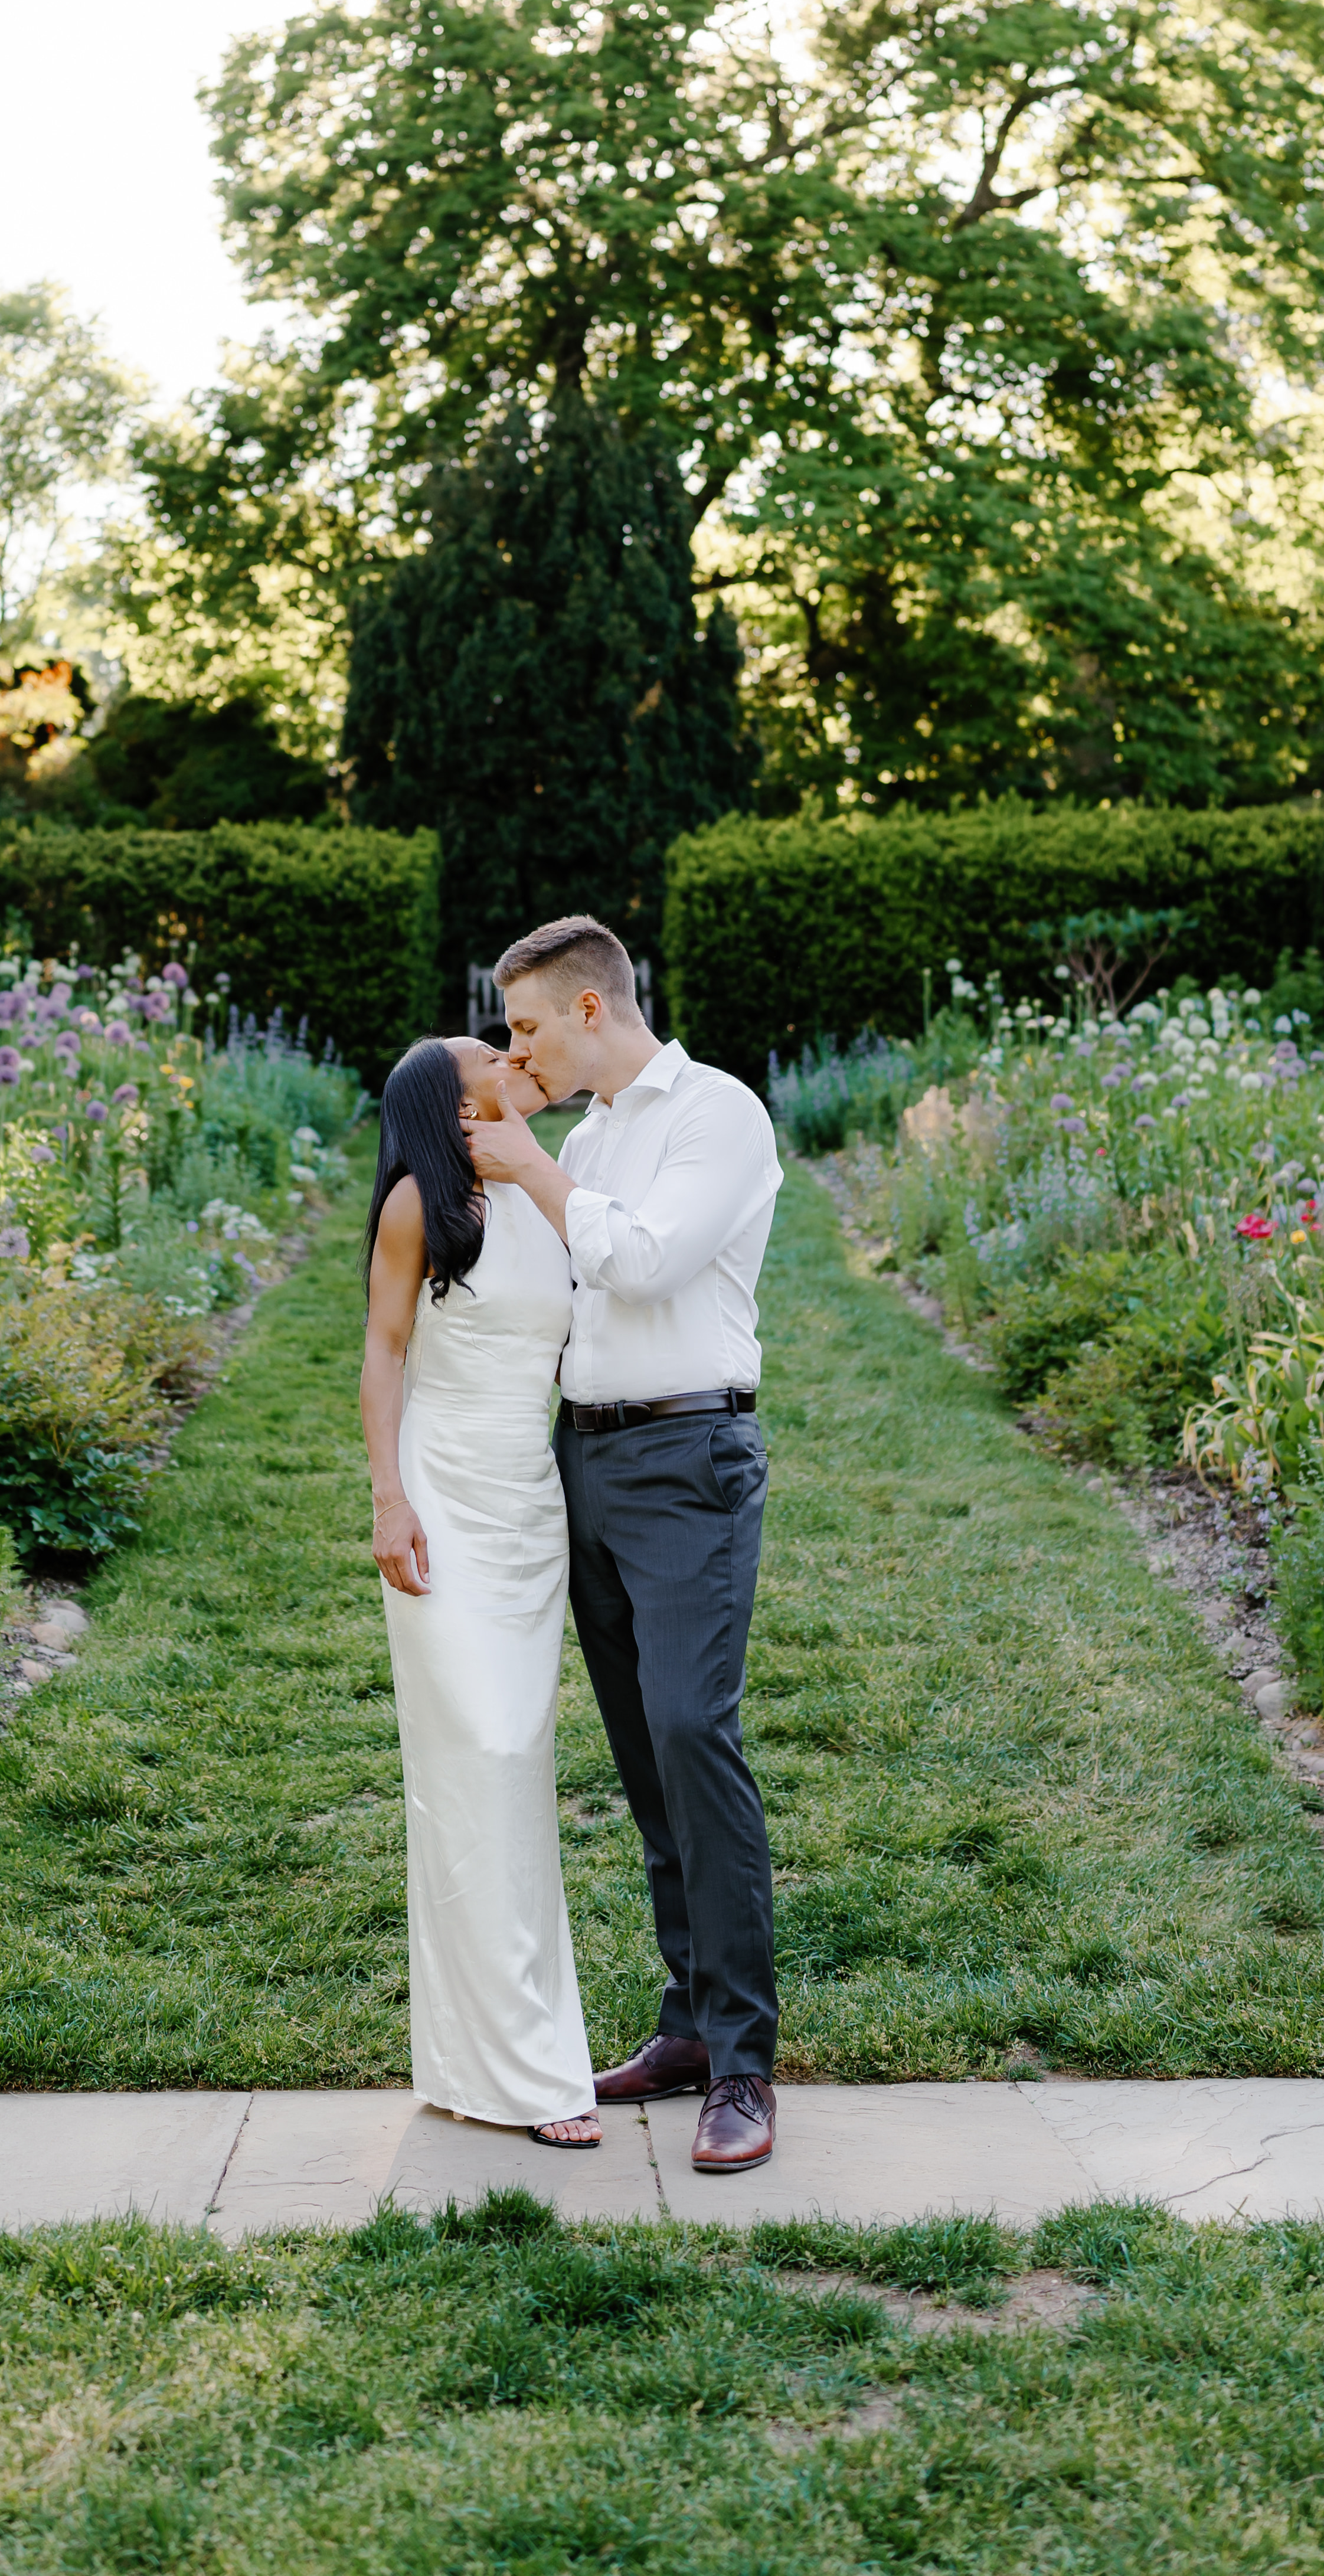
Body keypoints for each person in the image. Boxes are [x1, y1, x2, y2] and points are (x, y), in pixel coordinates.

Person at [467, 915, 787, 2175]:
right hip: (586, 1458)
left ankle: (746, 2064)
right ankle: (689, 2029)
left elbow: (644, 1263)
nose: (516, 1048)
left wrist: (540, 1173)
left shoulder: (715, 1113)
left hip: (686, 1456)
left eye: (528, 1024)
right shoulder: (594, 1137)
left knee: (694, 1736)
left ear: (588, 1012)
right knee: (644, 1756)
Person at [358, 1032, 600, 2146]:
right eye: (488, 1054)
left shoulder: (552, 1195)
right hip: (444, 1498)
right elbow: (384, 1355)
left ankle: (471, 2064)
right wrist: (389, 1502)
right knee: (482, 1757)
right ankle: (533, 2077)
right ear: (459, 1108)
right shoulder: (419, 1207)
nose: (514, 1052)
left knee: (511, 1768)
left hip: (528, 1505)